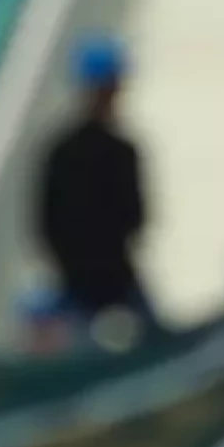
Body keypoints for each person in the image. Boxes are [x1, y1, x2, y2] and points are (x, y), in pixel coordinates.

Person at [36, 36, 155, 347]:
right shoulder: (120, 151)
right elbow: (137, 217)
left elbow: (45, 224)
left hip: (78, 283)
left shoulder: (60, 151)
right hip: (109, 283)